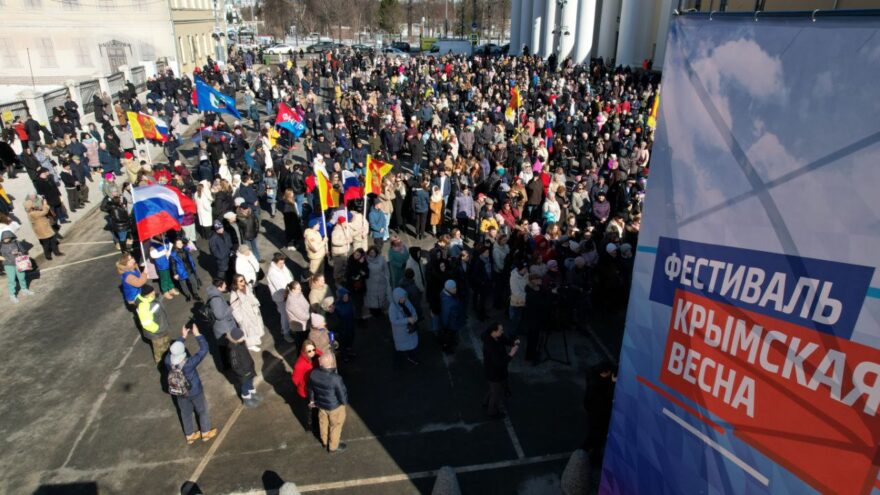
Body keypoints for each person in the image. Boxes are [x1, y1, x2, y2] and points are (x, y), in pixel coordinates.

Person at [165, 323, 218, 444]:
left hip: (179, 391)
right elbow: (204, 349)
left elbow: (172, 351)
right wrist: (197, 334)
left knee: (185, 413)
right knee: (202, 410)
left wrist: (182, 338)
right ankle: (205, 433)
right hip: (194, 391)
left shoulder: (168, 360)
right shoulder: (189, 363)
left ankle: (190, 435)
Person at [308, 353, 349, 453]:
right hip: (334, 407)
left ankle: (324, 441)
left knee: (323, 423)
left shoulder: (314, 373)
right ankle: (333, 447)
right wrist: (344, 403)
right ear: (332, 363)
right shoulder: (336, 378)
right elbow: (342, 394)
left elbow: (310, 389)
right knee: (335, 426)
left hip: (321, 405)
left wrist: (312, 400)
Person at [482, 322, 519, 419]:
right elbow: (499, 363)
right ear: (493, 332)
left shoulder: (495, 337)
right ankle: (492, 412)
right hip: (494, 373)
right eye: (500, 330)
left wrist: (512, 343)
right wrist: (511, 353)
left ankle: (486, 402)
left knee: (493, 389)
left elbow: (504, 340)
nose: (502, 332)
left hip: (495, 372)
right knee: (496, 393)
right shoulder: (490, 346)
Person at [135, 285, 171, 364]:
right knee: (159, 351)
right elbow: (146, 323)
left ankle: (168, 361)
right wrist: (158, 329)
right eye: (152, 292)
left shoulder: (152, 299)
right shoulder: (143, 306)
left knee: (166, 346)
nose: (154, 292)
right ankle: (161, 365)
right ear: (146, 295)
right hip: (157, 333)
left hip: (163, 328)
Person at [229, 274, 265, 352]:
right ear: (236, 282)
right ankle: (250, 345)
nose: (243, 282)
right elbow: (234, 308)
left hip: (253, 311)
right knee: (248, 330)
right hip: (245, 315)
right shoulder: (235, 294)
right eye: (241, 281)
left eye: (243, 279)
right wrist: (240, 319)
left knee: (256, 327)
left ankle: (255, 341)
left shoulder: (247, 287)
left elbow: (251, 296)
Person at [24, 196, 63, 260]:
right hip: (43, 231)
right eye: (32, 204)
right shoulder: (32, 213)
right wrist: (45, 204)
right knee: (46, 244)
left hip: (45, 229)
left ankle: (56, 252)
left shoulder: (33, 211)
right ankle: (48, 256)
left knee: (53, 241)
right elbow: (44, 212)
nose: (34, 205)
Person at [0, 231, 33, 303]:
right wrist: (3, 258)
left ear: (11, 236)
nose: (6, 239)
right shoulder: (0, 245)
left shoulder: (16, 242)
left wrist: (19, 253)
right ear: (2, 238)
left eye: (7, 237)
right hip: (8, 265)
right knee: (11, 280)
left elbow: (24, 251)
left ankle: (24, 289)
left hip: (19, 263)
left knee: (22, 277)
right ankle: (12, 295)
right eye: (4, 238)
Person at [267, 252, 294, 339]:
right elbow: (281, 288)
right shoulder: (272, 273)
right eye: (281, 263)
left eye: (283, 262)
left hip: (288, 294)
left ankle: (290, 328)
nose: (283, 265)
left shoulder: (281, 266)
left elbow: (289, 275)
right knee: (284, 314)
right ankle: (285, 332)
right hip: (281, 297)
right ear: (275, 262)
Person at [389, 287, 419, 365]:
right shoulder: (392, 307)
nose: (404, 299)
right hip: (401, 332)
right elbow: (394, 321)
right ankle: (399, 361)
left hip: (410, 329)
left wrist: (415, 317)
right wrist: (407, 320)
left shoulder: (406, 301)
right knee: (402, 347)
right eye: (401, 297)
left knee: (410, 345)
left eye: (404, 296)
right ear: (396, 298)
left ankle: (411, 357)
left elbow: (413, 310)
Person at [439, 279, 465, 354]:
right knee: (449, 337)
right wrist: (445, 326)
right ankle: (447, 348)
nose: (456, 289)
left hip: (453, 322)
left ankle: (450, 343)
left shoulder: (445, 293)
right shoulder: (447, 302)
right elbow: (445, 316)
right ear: (449, 289)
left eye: (455, 287)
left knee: (451, 335)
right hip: (451, 324)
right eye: (454, 288)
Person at [285, 281, 311, 346]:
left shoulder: (299, 294)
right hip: (299, 328)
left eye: (300, 287)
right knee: (302, 345)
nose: (301, 289)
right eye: (298, 288)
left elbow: (307, 305)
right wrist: (312, 315)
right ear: (293, 290)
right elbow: (302, 316)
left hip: (305, 324)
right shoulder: (291, 302)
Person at [364, 247, 389, 315]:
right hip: (370, 282)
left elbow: (386, 269)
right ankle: (373, 310)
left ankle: (379, 309)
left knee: (381, 297)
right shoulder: (365, 260)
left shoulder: (381, 259)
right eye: (371, 252)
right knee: (372, 298)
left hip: (381, 282)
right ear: (368, 253)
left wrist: (386, 278)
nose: (372, 254)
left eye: (373, 252)